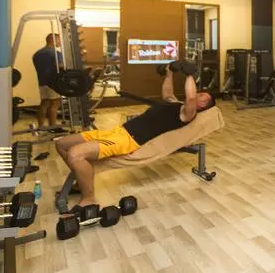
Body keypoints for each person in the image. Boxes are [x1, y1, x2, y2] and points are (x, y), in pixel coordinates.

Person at [55, 63, 214, 210]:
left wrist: (189, 74)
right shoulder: (177, 104)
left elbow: (191, 98)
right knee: (62, 144)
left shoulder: (188, 114)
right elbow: (167, 93)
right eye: (199, 93)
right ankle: (81, 181)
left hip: (128, 140)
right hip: (118, 131)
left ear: (202, 107)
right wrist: (169, 73)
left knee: (75, 154)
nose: (198, 95)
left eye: (202, 97)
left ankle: (88, 198)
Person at [32, 34, 62, 129]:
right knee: (55, 104)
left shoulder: (37, 54)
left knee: (44, 103)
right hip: (53, 82)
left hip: (42, 82)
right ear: (53, 40)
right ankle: (52, 127)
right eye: (59, 40)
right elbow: (61, 67)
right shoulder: (55, 53)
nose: (60, 42)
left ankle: (41, 126)